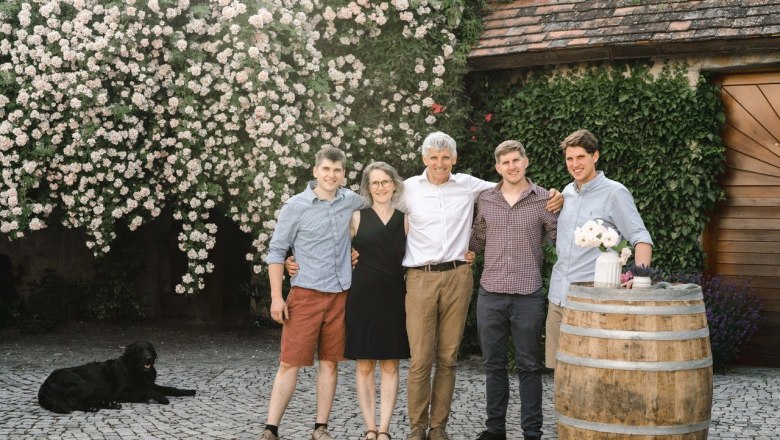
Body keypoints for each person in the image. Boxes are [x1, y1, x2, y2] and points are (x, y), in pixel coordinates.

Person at [401, 132, 562, 440]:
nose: (439, 163)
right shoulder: (413, 189)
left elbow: (556, 235)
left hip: (502, 286)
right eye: (433, 157)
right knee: (440, 361)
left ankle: (526, 431)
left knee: (513, 364)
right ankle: (433, 429)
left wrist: (559, 195)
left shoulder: (523, 196)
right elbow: (379, 209)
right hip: (450, 282)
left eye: (445, 157)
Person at [260, 146, 364, 440]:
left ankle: (321, 427)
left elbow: (379, 221)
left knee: (330, 363)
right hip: (304, 294)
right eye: (326, 169)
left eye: (337, 170)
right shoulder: (296, 206)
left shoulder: (352, 201)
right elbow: (277, 251)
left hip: (340, 295)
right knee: (289, 362)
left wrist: (357, 252)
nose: (331, 175)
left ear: (344, 174)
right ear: (315, 171)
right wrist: (277, 297)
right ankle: (271, 428)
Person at [469, 141, 557, 440]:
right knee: (493, 366)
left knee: (529, 367)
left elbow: (561, 237)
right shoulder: (486, 200)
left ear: (526, 161)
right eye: (505, 162)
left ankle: (532, 432)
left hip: (528, 294)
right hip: (490, 293)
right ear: (498, 167)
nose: (511, 166)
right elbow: (476, 240)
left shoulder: (545, 199)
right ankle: (495, 431)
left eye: (516, 160)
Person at [545, 129, 653, 370]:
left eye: (581, 157)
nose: (575, 164)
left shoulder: (615, 192)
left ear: (595, 156)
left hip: (594, 301)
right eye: (569, 159)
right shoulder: (566, 193)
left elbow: (640, 236)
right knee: (560, 371)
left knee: (593, 372)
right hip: (559, 297)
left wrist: (640, 277)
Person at [345, 162, 409, 440]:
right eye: (375, 183)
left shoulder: (405, 219)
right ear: (368, 188)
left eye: (385, 182)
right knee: (364, 365)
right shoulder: (356, 217)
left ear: (394, 184)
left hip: (394, 296)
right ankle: (370, 428)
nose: (380, 187)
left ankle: (385, 429)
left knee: (391, 365)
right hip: (362, 297)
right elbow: (335, 251)